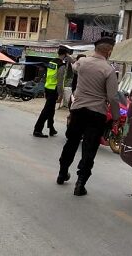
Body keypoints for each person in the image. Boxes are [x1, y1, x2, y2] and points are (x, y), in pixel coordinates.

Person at [56, 37, 119, 196]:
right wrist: (116, 117)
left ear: (95, 49)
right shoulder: (109, 70)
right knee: (89, 148)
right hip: (97, 113)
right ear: (109, 51)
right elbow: (112, 97)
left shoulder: (82, 63)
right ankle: (80, 183)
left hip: (78, 110)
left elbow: (74, 66)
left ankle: (62, 173)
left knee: (71, 142)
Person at [33, 46, 71, 138]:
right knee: (46, 111)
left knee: (51, 109)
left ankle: (51, 128)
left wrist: (45, 90)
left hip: (48, 88)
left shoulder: (51, 62)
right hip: (54, 90)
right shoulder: (61, 65)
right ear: (65, 54)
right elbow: (60, 81)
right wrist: (61, 94)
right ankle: (37, 130)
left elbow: (47, 77)